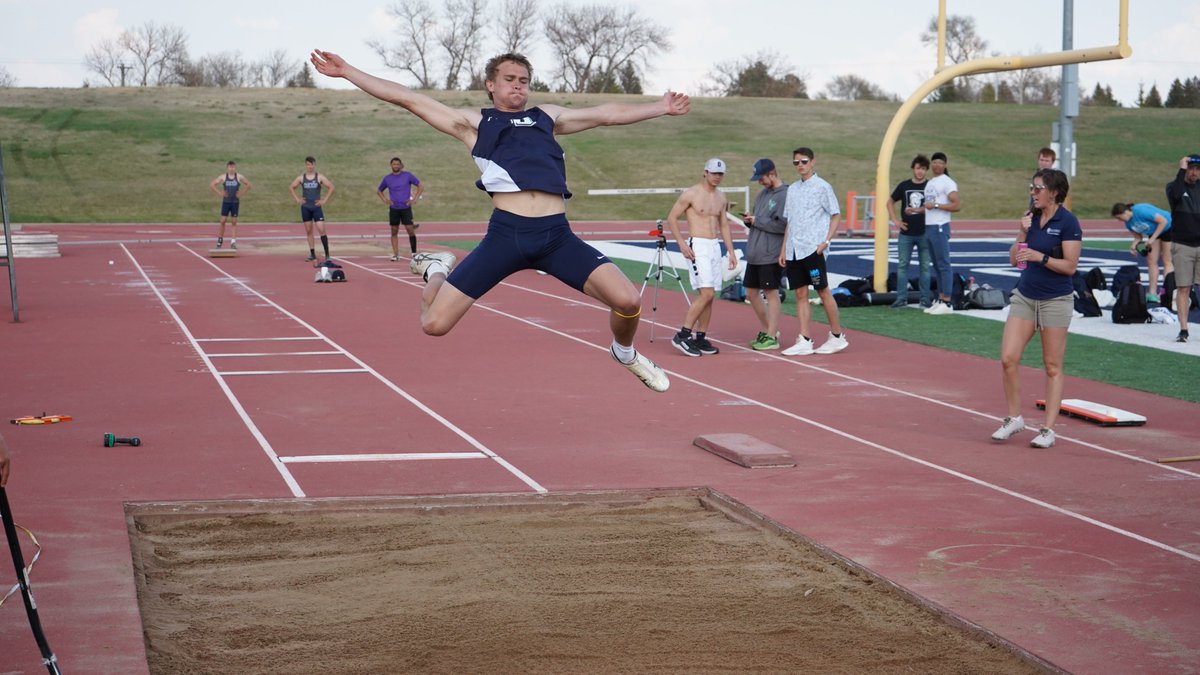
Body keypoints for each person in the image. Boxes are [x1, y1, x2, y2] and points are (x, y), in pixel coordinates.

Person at [310, 49, 689, 392]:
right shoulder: (474, 124)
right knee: (434, 325)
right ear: (491, 85)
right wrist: (348, 72)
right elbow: (407, 98)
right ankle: (436, 272)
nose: (518, 87)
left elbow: (606, 114)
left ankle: (624, 353)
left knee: (628, 300)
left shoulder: (547, 117)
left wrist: (659, 107)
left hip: (556, 237)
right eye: (510, 79)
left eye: (524, 81)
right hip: (507, 235)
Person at [992, 169, 1082, 449]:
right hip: (1026, 295)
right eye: (1032, 187)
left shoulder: (1068, 222)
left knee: (1052, 365)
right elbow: (1014, 261)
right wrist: (1021, 233)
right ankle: (1013, 418)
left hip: (1056, 299)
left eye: (1038, 188)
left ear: (1053, 192)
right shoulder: (1029, 218)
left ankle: (1048, 429)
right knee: (1008, 357)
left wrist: (1041, 257)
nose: (1033, 192)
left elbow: (1070, 266)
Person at [665, 158, 738, 357]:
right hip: (698, 245)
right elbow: (672, 218)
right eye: (714, 173)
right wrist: (681, 244)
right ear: (705, 172)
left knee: (711, 295)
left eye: (720, 174)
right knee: (706, 293)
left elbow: (724, 225)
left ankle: (700, 337)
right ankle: (682, 335)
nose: (717, 177)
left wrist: (730, 251)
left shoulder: (721, 197)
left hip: (714, 246)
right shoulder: (692, 193)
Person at [779, 147, 848, 356]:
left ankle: (837, 336)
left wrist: (825, 241)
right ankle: (805, 339)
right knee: (800, 293)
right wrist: (783, 249)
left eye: (804, 161)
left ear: (813, 162)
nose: (800, 165)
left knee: (822, 290)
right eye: (796, 162)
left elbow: (836, 214)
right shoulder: (792, 189)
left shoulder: (823, 187)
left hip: (813, 249)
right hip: (794, 249)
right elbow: (789, 221)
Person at [742, 158, 788, 350]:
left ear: (772, 173)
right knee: (751, 293)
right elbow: (759, 220)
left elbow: (783, 224)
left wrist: (757, 221)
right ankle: (769, 329)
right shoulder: (762, 194)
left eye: (761, 178)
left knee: (771, 293)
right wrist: (749, 220)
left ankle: (771, 335)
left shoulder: (785, 195)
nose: (759, 182)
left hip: (771, 253)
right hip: (755, 251)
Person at [885, 154, 932, 309]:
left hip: (925, 232)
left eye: (924, 169)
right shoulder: (904, 185)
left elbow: (935, 205)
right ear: (913, 168)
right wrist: (895, 221)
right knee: (902, 265)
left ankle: (925, 298)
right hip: (906, 233)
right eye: (918, 168)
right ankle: (901, 297)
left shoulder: (930, 186)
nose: (920, 172)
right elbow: (890, 201)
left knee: (925, 266)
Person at [1166, 154, 1200, 343]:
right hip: (1183, 245)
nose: (1194, 173)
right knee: (1184, 287)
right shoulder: (1174, 186)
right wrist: (1181, 170)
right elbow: (1176, 195)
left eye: (1197, 169)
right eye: (1191, 168)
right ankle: (1184, 329)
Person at [1110, 201, 1173, 303]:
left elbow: (1163, 221)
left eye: (1119, 217)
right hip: (1154, 233)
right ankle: (1152, 293)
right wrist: (1133, 247)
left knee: (1167, 261)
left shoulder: (1141, 211)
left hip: (1169, 227)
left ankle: (1166, 291)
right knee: (1151, 261)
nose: (1119, 220)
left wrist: (1153, 239)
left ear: (1125, 212)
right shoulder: (1128, 223)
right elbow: (1138, 237)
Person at [923, 151, 961, 315]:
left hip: (940, 225)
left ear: (945, 165)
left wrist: (937, 206)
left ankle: (947, 301)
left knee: (944, 264)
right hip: (930, 226)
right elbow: (929, 205)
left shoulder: (947, 182)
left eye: (940, 162)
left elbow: (956, 204)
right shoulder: (931, 182)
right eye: (934, 162)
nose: (937, 165)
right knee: (937, 265)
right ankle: (940, 298)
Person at [289, 156, 336, 262]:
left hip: (316, 208)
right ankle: (312, 254)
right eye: (308, 164)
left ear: (314, 165)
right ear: (306, 165)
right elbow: (291, 187)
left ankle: (327, 254)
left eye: (311, 164)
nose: (310, 166)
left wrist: (324, 200)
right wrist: (297, 199)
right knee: (309, 231)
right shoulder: (301, 178)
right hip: (305, 207)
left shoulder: (319, 177)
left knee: (321, 230)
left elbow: (331, 187)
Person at [378, 157, 424, 262]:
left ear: (400, 165)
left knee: (410, 230)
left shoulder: (407, 176)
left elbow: (420, 186)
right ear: (391, 165)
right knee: (394, 231)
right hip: (394, 208)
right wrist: (385, 199)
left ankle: (414, 253)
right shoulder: (387, 178)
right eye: (394, 164)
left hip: (406, 208)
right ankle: (395, 254)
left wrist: (415, 199)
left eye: (397, 164)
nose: (396, 166)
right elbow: (379, 190)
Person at [209, 160, 251, 250]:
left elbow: (248, 185)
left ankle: (233, 242)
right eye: (230, 167)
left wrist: (241, 193)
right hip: (226, 202)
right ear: (227, 168)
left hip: (235, 202)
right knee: (223, 221)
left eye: (233, 167)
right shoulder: (223, 177)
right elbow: (212, 185)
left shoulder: (239, 176)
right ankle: (220, 240)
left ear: (235, 168)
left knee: (234, 222)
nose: (231, 169)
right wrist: (220, 193)